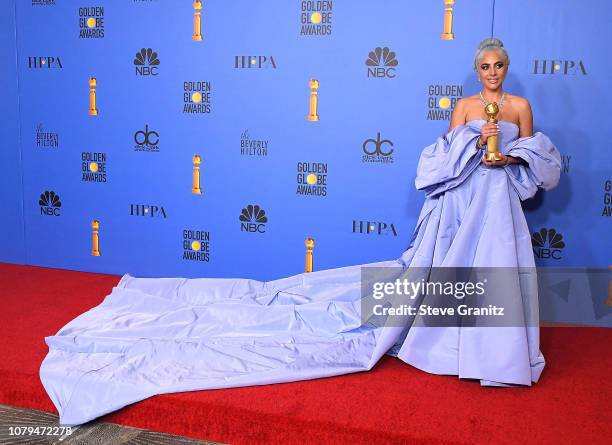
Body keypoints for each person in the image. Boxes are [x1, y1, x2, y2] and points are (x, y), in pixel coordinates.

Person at [40, 38, 561, 426]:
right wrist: (476, 144)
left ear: (507, 69)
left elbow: (539, 162)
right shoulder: (466, 107)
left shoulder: (519, 108)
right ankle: (450, 347)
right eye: (485, 67)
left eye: (499, 66)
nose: (492, 74)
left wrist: (509, 150)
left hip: (499, 202)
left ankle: (495, 355)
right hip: (463, 201)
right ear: (476, 70)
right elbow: (437, 160)